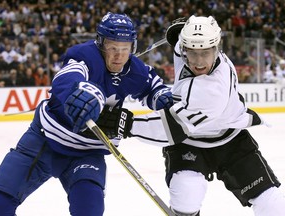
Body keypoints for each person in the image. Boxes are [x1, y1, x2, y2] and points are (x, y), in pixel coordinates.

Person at [105, 15, 285, 216]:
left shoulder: (213, 89)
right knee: (186, 193)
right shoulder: (186, 45)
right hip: (190, 144)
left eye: (205, 53)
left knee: (272, 204)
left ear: (216, 49)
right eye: (193, 53)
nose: (199, 62)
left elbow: (170, 128)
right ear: (184, 48)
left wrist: (124, 123)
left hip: (230, 140)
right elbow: (184, 39)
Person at [0, 12, 172, 216]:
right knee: (0, 204)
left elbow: (151, 85)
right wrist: (83, 91)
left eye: (125, 49)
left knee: (89, 210)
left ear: (132, 47)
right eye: (112, 48)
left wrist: (162, 96)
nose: (119, 56)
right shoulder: (85, 56)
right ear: (100, 43)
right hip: (44, 141)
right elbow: (66, 78)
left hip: (88, 152)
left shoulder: (135, 69)